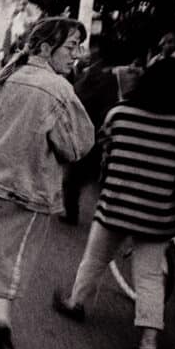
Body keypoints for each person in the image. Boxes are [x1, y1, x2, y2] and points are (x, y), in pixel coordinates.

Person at [53, 57, 175, 349]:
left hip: (114, 206)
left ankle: (77, 303)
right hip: (156, 215)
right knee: (149, 278)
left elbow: (106, 155)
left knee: (94, 260)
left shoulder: (120, 113)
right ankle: (148, 342)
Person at [0, 17, 94, 349]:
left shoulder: (9, 77)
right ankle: (1, 330)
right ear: (47, 48)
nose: (77, 54)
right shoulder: (59, 89)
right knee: (10, 265)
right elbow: (76, 145)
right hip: (29, 190)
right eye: (71, 46)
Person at [61, 35, 119, 224]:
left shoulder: (100, 76)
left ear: (97, 52)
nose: (85, 53)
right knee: (88, 178)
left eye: (89, 49)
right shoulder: (99, 73)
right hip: (92, 131)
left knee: (75, 178)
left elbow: (81, 95)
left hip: (90, 130)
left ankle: (74, 214)